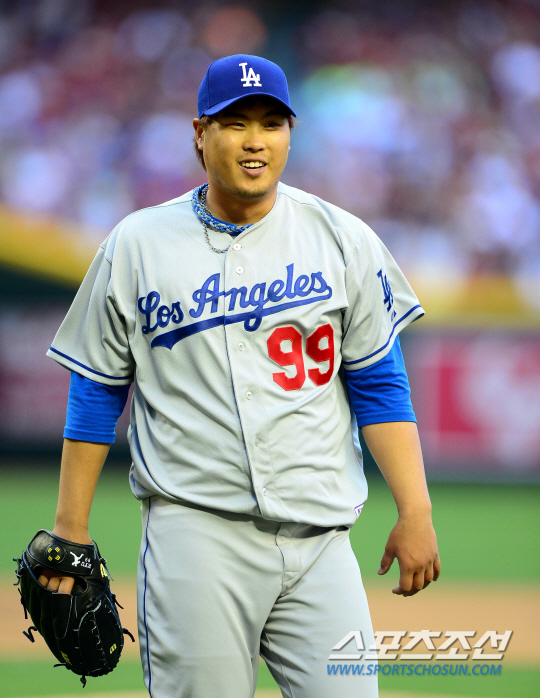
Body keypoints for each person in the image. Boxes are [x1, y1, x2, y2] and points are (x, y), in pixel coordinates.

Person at [41, 54, 440, 698]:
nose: (255, 141)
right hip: (196, 536)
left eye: (271, 124)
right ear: (200, 135)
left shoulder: (343, 238)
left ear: (290, 135)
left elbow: (379, 386)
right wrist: (71, 525)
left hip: (321, 542)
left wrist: (415, 509)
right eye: (235, 123)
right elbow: (96, 391)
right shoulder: (137, 244)